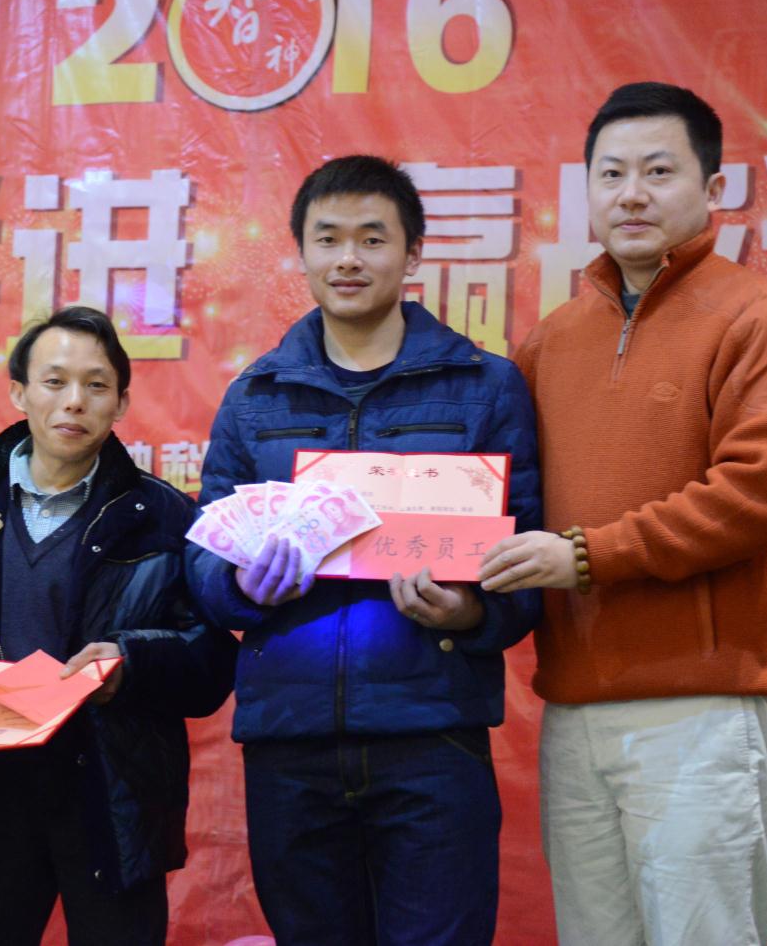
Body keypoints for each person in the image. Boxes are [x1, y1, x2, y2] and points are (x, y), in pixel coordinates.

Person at [480, 82, 767, 946]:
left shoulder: (757, 317)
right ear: (587, 191)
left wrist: (586, 555)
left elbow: (757, 493)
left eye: (658, 171)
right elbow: (507, 498)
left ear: (713, 188)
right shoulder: (552, 339)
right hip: (574, 708)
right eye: (611, 174)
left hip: (700, 711)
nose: (631, 194)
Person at [186, 154, 544, 946]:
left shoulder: (485, 387)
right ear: (301, 253)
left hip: (432, 735)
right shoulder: (254, 397)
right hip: (290, 738)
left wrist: (471, 610)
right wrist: (243, 586)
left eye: (373, 239)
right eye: (329, 239)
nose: (349, 258)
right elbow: (204, 554)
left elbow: (525, 555)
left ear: (413, 254)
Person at [0, 306, 237, 946]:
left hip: (111, 789)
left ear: (121, 402)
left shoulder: (161, 516)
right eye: (54, 381)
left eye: (96, 385)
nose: (74, 402)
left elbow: (211, 665)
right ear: (19, 392)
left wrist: (129, 662)